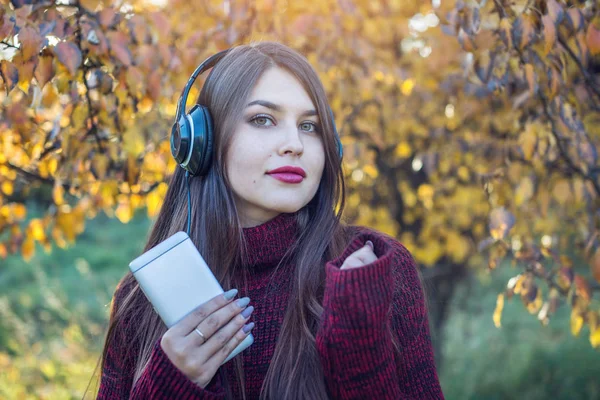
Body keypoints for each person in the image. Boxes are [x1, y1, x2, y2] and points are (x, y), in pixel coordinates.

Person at [97, 41, 444, 399]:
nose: (294, 144)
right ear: (202, 141)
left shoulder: (373, 268)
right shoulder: (142, 301)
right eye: (263, 119)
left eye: (309, 126)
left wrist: (359, 349)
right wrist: (167, 386)